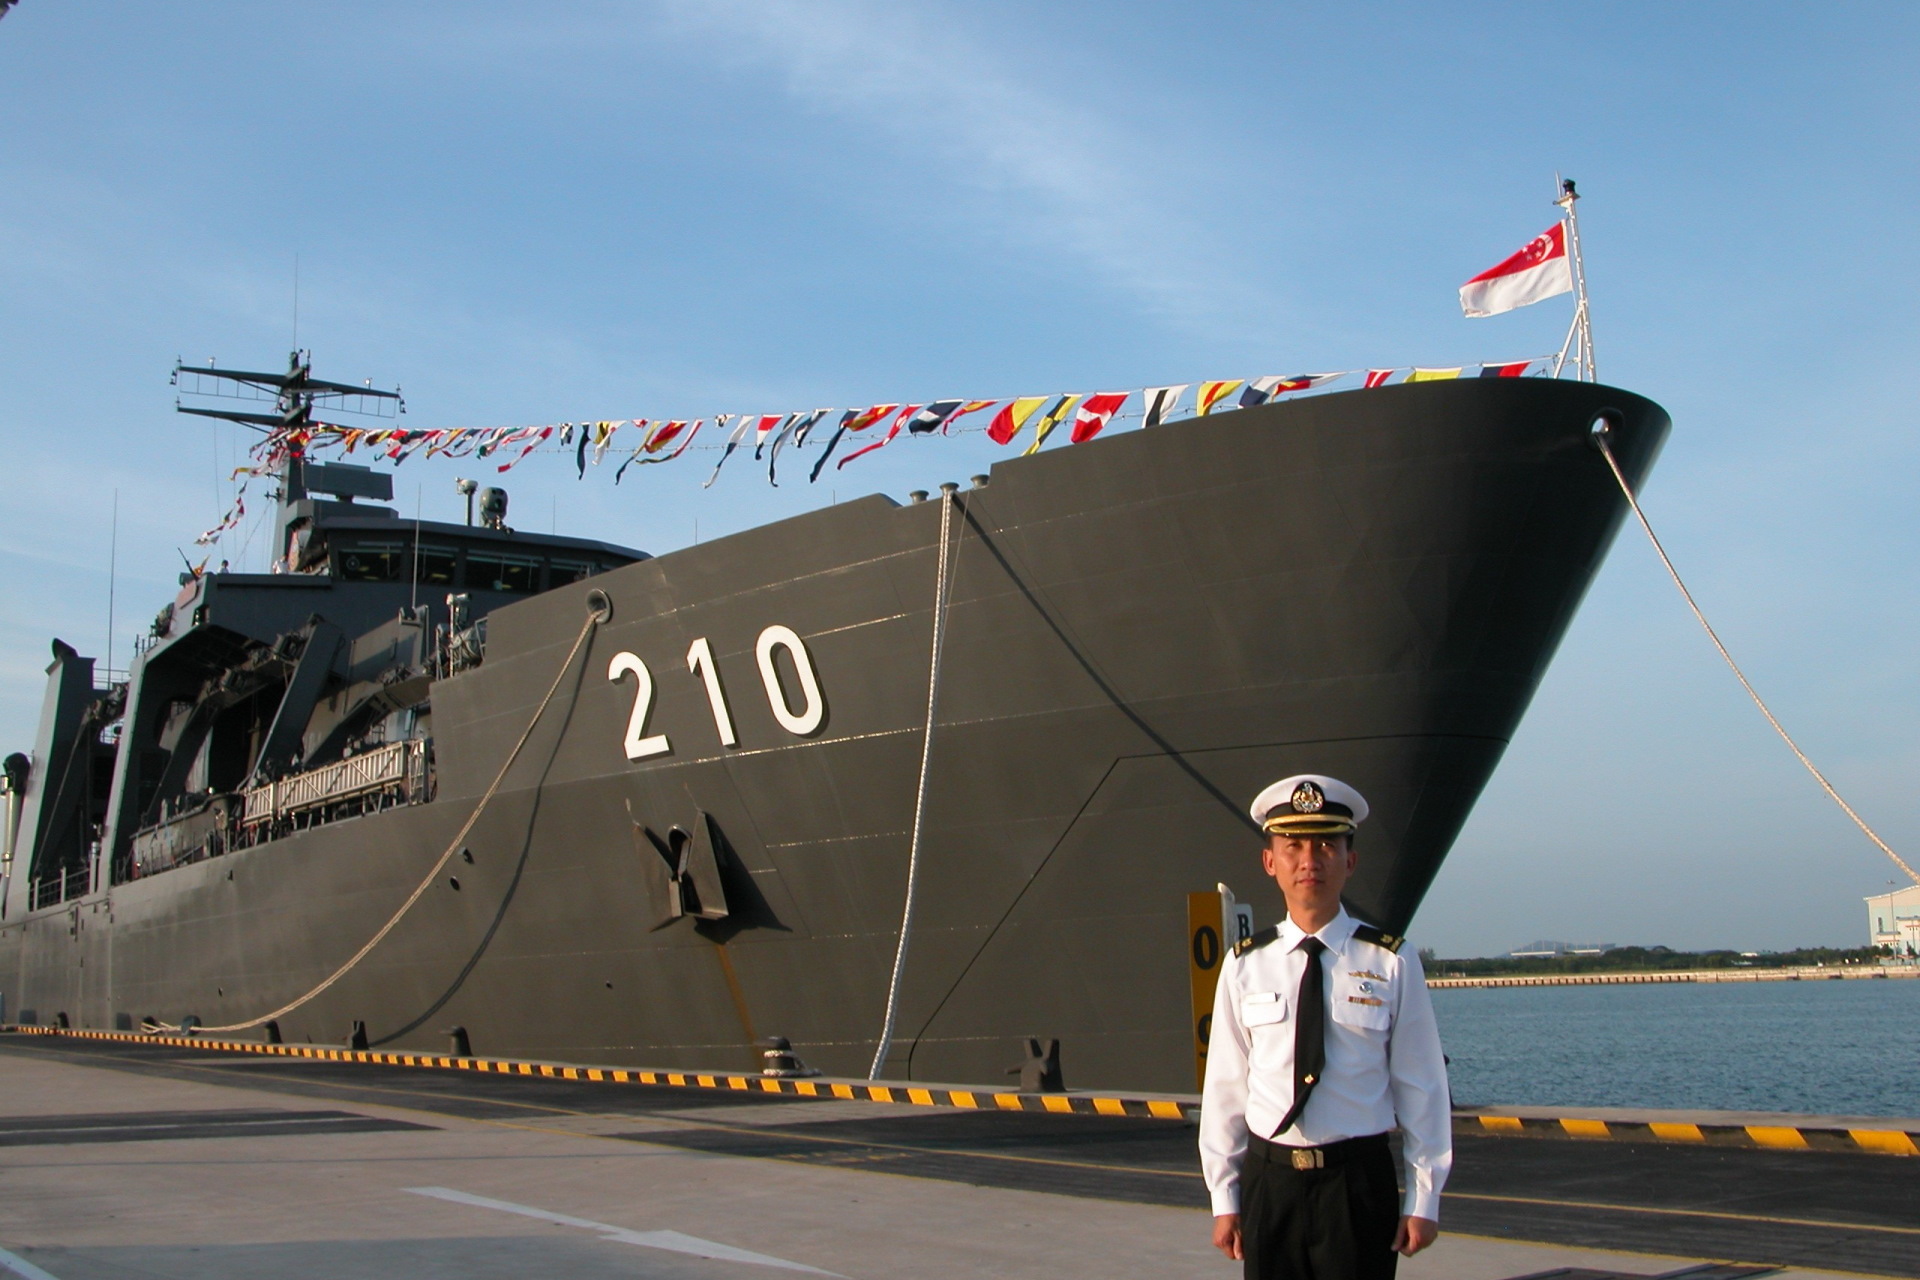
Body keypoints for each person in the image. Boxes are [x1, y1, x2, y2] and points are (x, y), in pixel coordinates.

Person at [1199, 774, 1451, 1279]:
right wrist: (1224, 1196)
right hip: (1271, 1184)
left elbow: (1421, 1084)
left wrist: (1425, 1198)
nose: (1309, 861)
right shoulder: (1245, 964)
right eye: (1292, 847)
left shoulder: (1390, 962)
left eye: (1326, 846)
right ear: (1270, 862)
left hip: (1357, 1185)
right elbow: (1226, 1087)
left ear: (1350, 861)